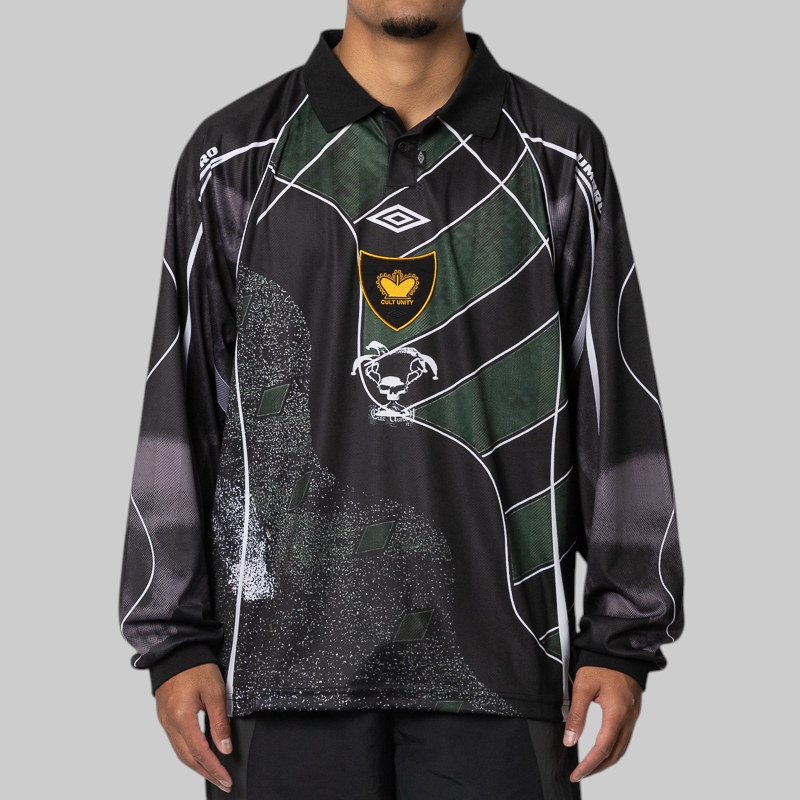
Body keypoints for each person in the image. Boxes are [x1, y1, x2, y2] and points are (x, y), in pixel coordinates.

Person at [119, 2, 685, 797]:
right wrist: (175, 642)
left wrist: (621, 637)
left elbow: (615, 396)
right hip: (278, 676)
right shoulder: (235, 156)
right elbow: (181, 404)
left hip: (505, 667)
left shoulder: (561, 155)